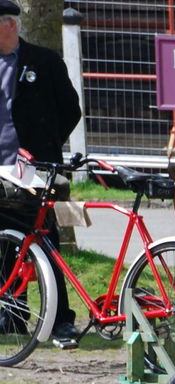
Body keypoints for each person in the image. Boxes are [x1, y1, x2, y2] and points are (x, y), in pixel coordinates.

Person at [0, 2, 83, 347]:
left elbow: (71, 110)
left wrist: (47, 146)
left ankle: (61, 319)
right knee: (5, 242)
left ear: (10, 25)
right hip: (1, 166)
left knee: (44, 239)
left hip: (36, 169)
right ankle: (12, 314)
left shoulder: (44, 62)